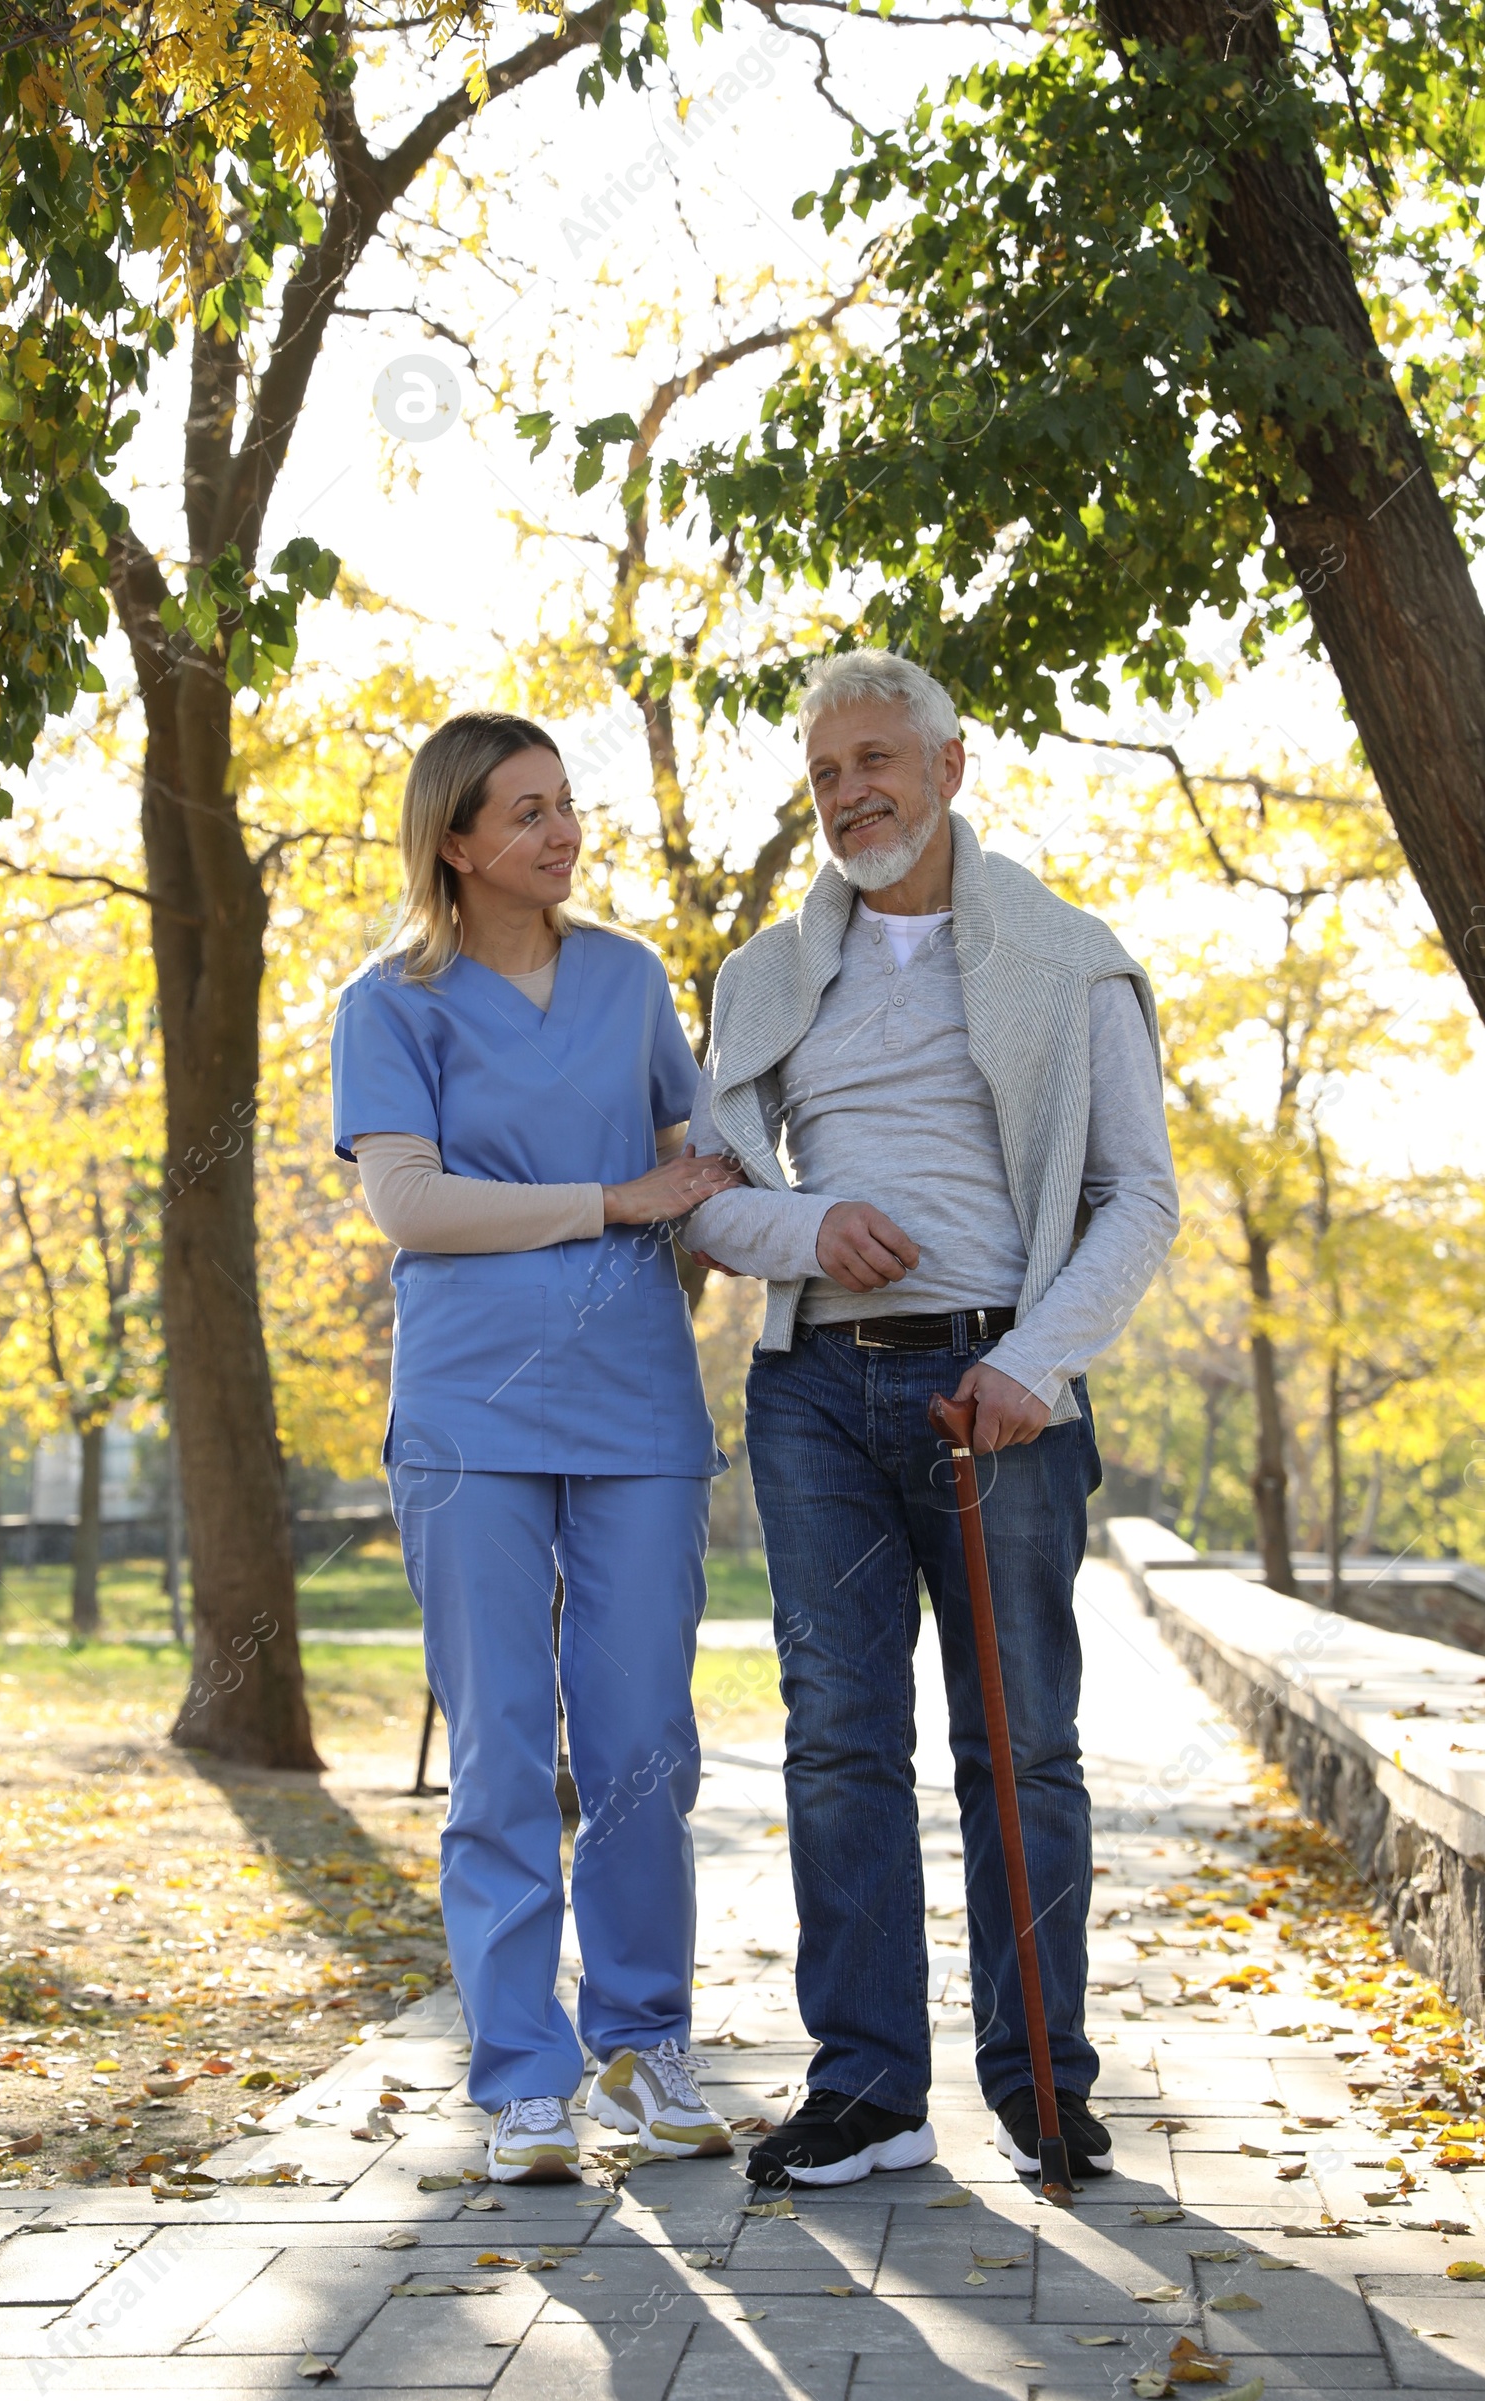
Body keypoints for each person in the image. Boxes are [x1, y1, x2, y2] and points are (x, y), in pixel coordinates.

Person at [681, 652, 1179, 2190]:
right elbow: (710, 1195)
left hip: (1000, 1393)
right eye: (826, 773)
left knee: (1020, 1747)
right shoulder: (764, 978)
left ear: (953, 767)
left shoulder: (1070, 961)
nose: (850, 795)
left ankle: (1042, 2084)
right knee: (838, 1741)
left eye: (876, 760)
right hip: (819, 1390)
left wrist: (1037, 1361)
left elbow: (1137, 1198)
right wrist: (812, 1222)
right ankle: (870, 2094)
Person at [330, 710, 743, 2183]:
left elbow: (705, 1165)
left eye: (568, 805)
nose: (561, 832)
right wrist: (613, 1202)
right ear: (454, 841)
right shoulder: (390, 1004)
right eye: (526, 812)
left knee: (640, 1742)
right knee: (505, 1745)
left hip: (637, 1405)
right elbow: (412, 1208)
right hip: (471, 1416)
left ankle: (644, 2048)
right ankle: (519, 2076)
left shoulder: (632, 981)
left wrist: (748, 1199)